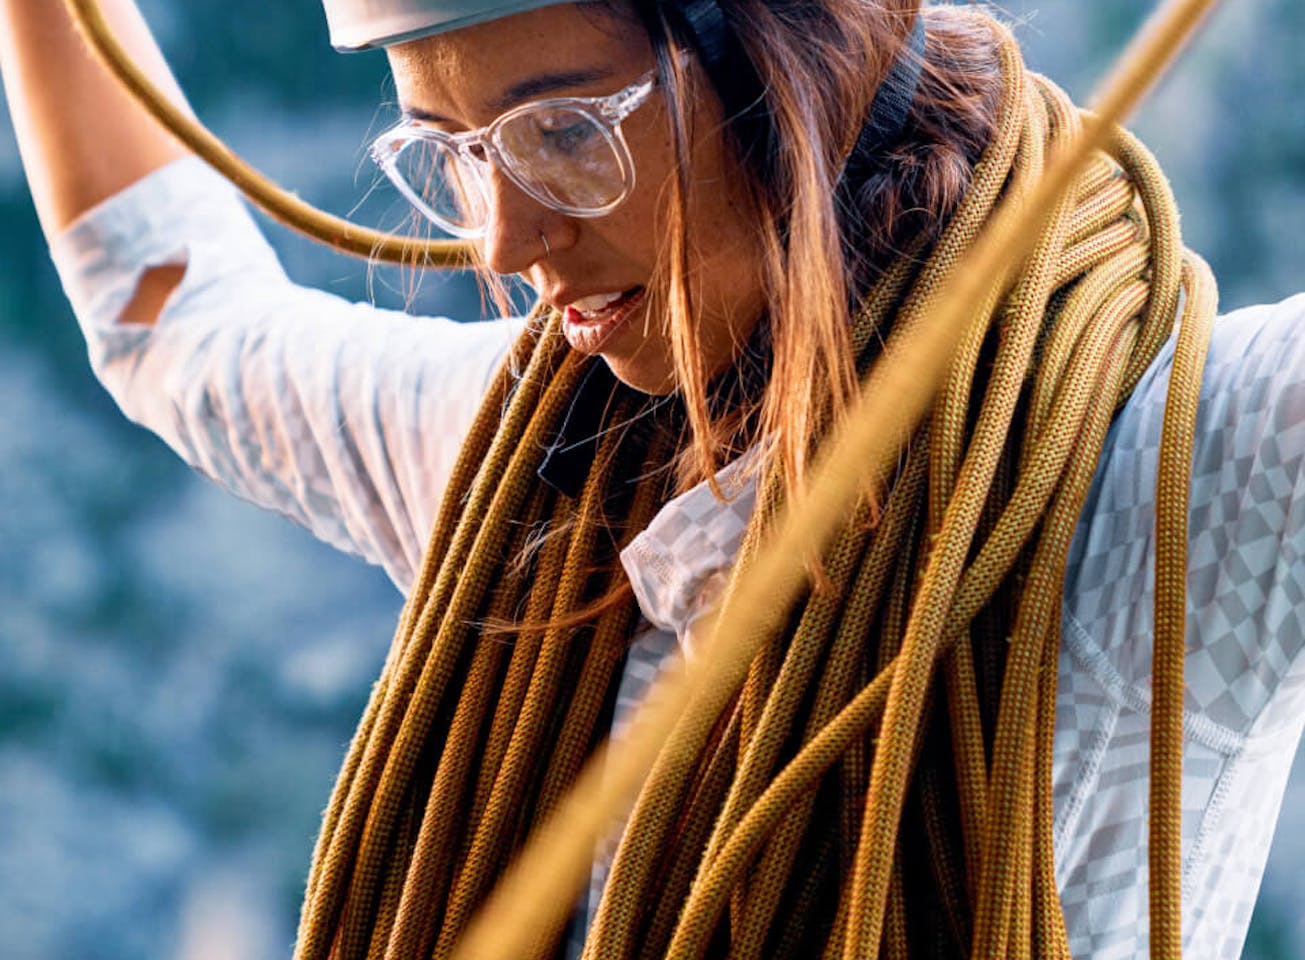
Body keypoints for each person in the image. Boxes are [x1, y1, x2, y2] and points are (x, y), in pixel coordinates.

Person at [3, 0, 1304, 957]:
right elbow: (175, 325)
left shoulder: (1187, 464)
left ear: (802, 65)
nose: (505, 237)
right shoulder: (515, 479)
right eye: (452, 152)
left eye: (564, 130)